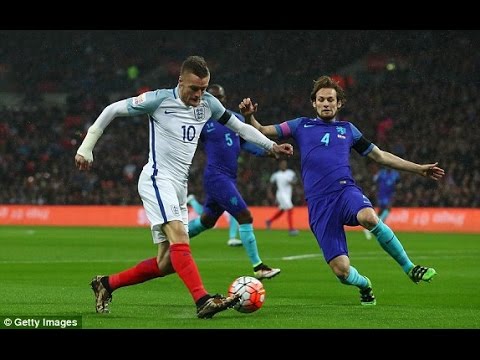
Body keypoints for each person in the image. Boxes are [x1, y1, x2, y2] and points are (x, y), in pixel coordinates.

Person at [74, 56, 293, 318]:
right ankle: (203, 300)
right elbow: (112, 109)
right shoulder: (158, 100)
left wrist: (271, 146)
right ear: (180, 81)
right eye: (194, 89)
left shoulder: (209, 104)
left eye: (203, 89)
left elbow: (241, 128)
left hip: (179, 185)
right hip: (158, 178)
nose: (199, 95)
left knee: (166, 263)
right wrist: (86, 147)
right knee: (179, 237)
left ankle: (107, 284)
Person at [239, 75, 444, 306]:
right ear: (313, 103)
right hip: (319, 205)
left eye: (330, 99)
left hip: (345, 191)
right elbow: (263, 130)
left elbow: (380, 155)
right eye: (321, 99)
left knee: (369, 216)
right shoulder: (300, 125)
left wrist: (418, 169)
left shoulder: (348, 130)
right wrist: (249, 117)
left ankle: (410, 267)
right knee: (342, 271)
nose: (326, 103)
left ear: (339, 104)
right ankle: (365, 285)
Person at [187, 84, 281, 280]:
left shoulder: (235, 119)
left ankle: (174, 239)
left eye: (220, 97)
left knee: (206, 221)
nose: (217, 101)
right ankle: (259, 267)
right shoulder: (201, 121)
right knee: (245, 216)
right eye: (212, 98)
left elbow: (247, 143)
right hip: (216, 177)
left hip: (228, 177)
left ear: (224, 98)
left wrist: (267, 152)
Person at [363, 166, 400, 240]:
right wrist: (376, 192)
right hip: (381, 195)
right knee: (382, 211)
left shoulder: (395, 174)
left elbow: (397, 185)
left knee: (385, 210)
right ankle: (373, 228)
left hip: (389, 196)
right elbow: (375, 181)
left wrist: (394, 194)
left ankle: (370, 228)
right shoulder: (381, 173)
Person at [265, 159, 299, 236]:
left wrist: (292, 182)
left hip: (288, 194)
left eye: (284, 164)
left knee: (282, 210)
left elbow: (295, 181)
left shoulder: (290, 173)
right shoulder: (276, 175)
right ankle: (291, 229)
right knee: (290, 208)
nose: (283, 165)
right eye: (282, 164)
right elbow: (270, 185)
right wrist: (269, 193)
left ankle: (269, 221)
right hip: (281, 194)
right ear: (279, 165)